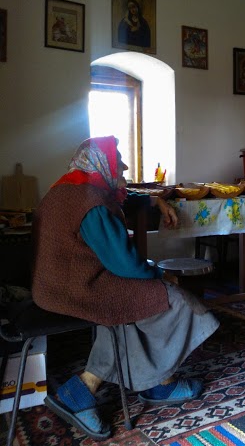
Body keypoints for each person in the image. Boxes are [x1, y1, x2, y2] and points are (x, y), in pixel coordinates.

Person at [31, 135, 219, 441]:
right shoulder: (90, 202)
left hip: (58, 284)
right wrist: (161, 274)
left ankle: (153, 382)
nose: (125, 166)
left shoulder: (70, 188)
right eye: (117, 160)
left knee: (131, 303)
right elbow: (126, 266)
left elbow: (125, 197)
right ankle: (96, 388)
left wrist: (156, 200)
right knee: (171, 300)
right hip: (76, 288)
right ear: (101, 164)